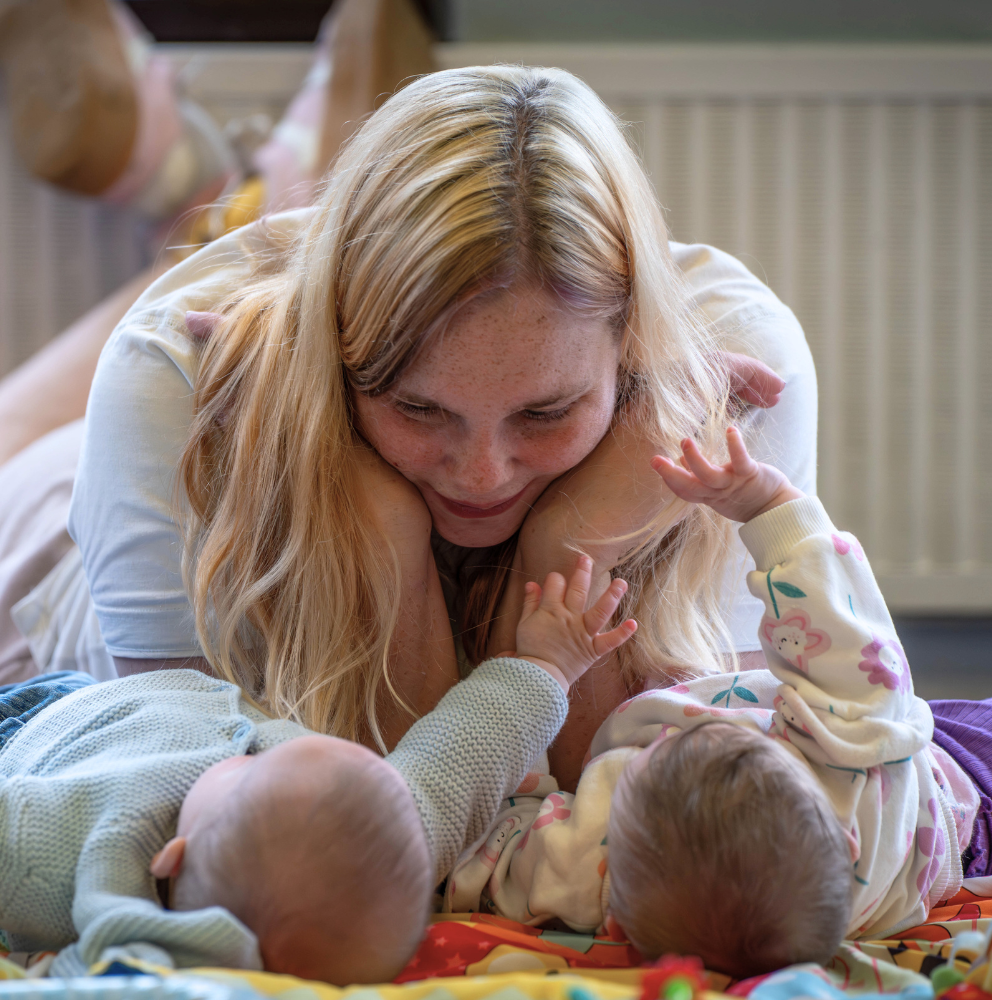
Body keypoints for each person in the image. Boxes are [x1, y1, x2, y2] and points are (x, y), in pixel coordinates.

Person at [3, 63, 816, 790]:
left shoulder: (731, 374)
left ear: (628, 354)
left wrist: (574, 545)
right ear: (338, 362)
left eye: (546, 412)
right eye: (417, 407)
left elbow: (668, 793)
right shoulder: (165, 380)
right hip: (45, 538)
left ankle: (281, 174)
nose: (481, 474)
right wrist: (373, 527)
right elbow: (221, 811)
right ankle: (257, 185)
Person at [444, 426, 992, 981]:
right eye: (755, 741)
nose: (711, 726)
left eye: (671, 753)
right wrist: (771, 506)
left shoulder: (578, 869)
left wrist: (541, 673)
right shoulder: (849, 761)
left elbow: (490, 841)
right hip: (960, 790)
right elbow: (848, 636)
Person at [0, 555, 636, 983]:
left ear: (174, 856)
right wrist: (547, 666)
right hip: (117, 701)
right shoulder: (380, 849)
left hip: (39, 728)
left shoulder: (59, 851)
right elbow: (455, 762)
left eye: (251, 773)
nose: (263, 749)